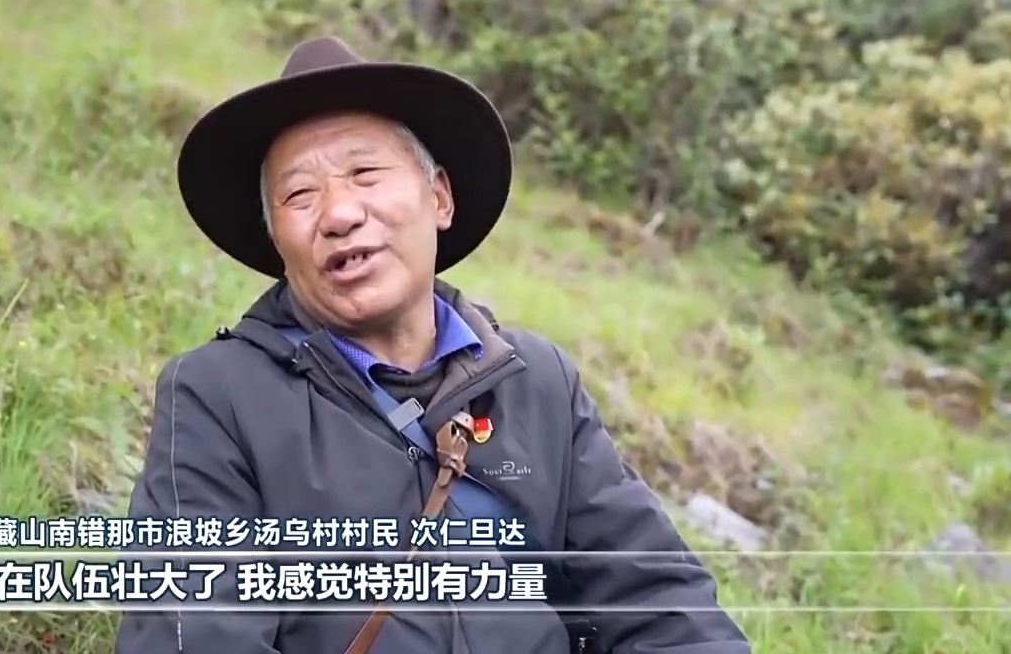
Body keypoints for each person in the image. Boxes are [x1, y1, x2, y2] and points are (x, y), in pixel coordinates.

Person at [116, 35, 753, 654]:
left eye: (365, 173)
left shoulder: (536, 381)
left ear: (439, 197)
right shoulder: (218, 396)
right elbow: (191, 631)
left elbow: (659, 598)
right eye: (299, 194)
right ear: (276, 241)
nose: (338, 214)